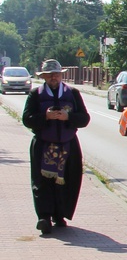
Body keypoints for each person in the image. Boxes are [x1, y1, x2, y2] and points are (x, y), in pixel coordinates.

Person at [22, 59, 90, 234]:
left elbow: (84, 118)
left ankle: (60, 215)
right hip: (44, 144)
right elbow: (27, 119)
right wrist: (45, 117)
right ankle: (44, 217)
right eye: (50, 75)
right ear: (43, 77)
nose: (54, 77)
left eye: (57, 74)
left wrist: (68, 117)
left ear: (61, 75)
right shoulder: (36, 95)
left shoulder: (73, 93)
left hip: (68, 145)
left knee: (66, 180)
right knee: (42, 182)